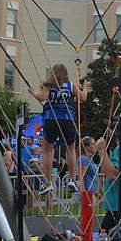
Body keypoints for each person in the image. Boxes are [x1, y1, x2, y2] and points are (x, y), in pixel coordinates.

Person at [27, 64, 88, 195]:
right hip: (67, 119)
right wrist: (86, 87)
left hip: (51, 119)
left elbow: (42, 97)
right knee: (71, 148)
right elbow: (83, 98)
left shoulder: (49, 85)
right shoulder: (71, 85)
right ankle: (72, 179)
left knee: (48, 150)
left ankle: (47, 182)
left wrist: (33, 92)